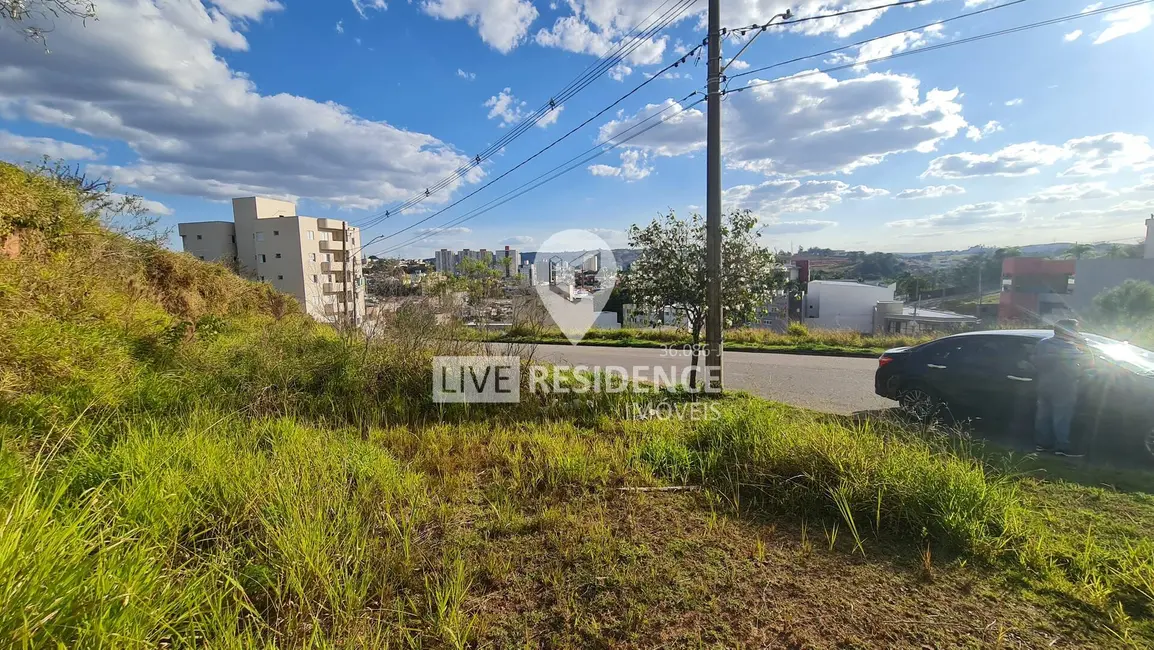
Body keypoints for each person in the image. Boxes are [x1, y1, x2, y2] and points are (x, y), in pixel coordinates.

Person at [1031, 319, 1092, 457]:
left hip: (1044, 384)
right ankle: (1062, 447)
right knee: (1062, 417)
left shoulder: (1043, 343)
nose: (1078, 333)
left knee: (1043, 415)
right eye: (1076, 330)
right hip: (1065, 386)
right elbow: (1089, 362)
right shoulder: (1071, 348)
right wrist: (1084, 345)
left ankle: (1043, 444)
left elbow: (1034, 361)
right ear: (1069, 331)